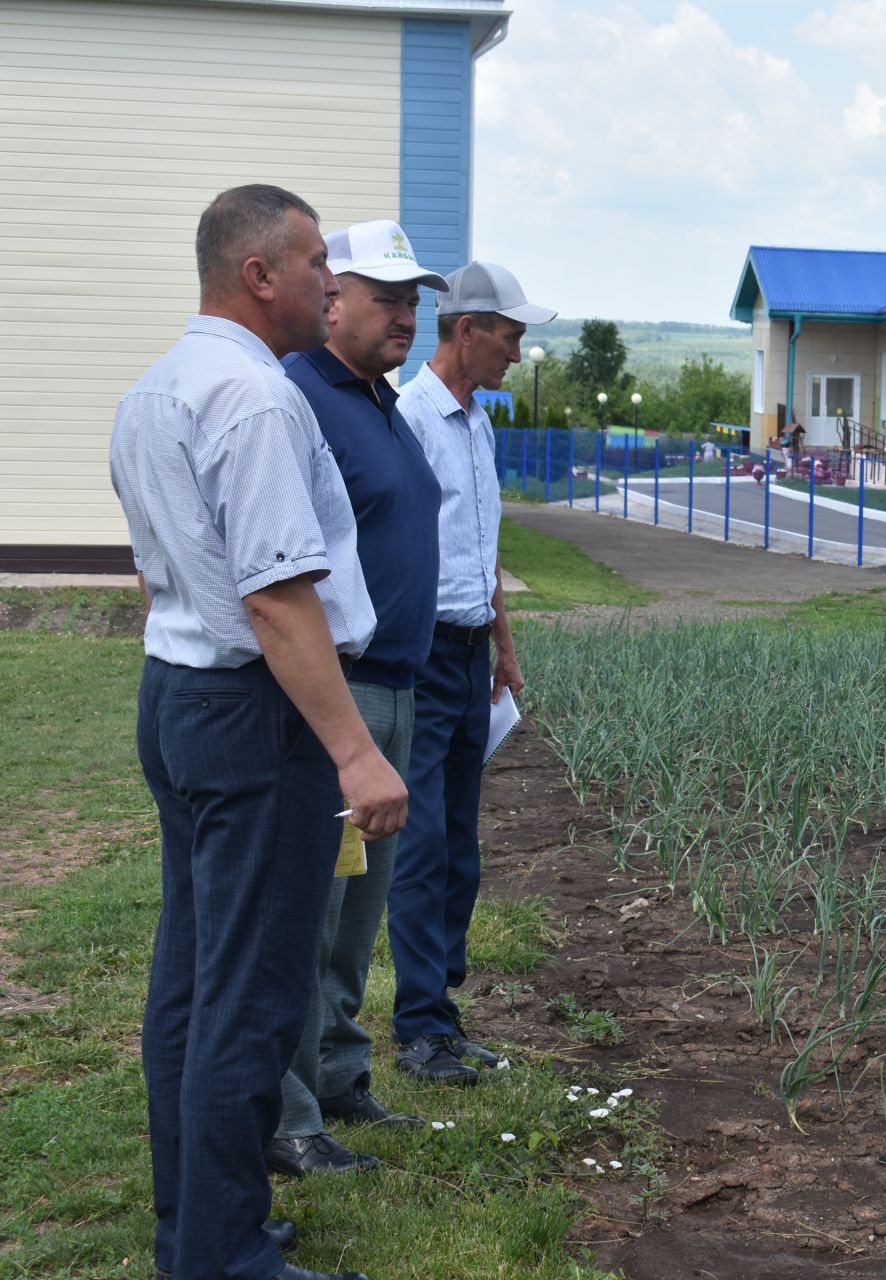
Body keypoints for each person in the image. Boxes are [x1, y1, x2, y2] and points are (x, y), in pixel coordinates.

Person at [109, 184, 404, 1280]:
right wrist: (355, 748)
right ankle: (224, 1253)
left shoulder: (155, 388)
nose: (334, 280)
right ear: (259, 275)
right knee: (251, 990)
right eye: (317, 259)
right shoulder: (258, 400)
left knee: (190, 981)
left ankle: (195, 1229)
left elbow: (160, 570)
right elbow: (280, 599)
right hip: (253, 713)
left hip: (178, 694)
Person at [269, 220, 449, 1176]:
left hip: (399, 689)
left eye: (414, 299)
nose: (405, 316)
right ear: (329, 298)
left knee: (356, 917)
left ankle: (338, 1077)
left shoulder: (377, 402)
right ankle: (289, 1113)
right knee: (314, 910)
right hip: (342, 697)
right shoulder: (300, 399)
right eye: (386, 297)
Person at [389, 262, 550, 1084]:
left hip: (470, 655)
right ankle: (418, 1027)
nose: (518, 353)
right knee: (418, 846)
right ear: (468, 330)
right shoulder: (410, 420)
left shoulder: (477, 426)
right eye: (512, 335)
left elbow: (482, 554)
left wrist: (505, 645)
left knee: (459, 846)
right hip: (419, 655)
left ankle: (439, 1012)